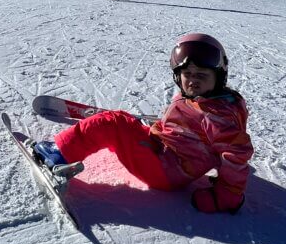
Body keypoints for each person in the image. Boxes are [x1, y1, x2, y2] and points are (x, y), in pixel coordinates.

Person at [33, 33, 252, 214]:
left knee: (112, 123)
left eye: (202, 74)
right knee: (124, 124)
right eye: (187, 74)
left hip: (165, 170)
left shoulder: (215, 115)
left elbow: (236, 150)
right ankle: (123, 133)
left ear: (219, 76)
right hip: (171, 155)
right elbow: (219, 142)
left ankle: (59, 154)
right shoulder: (222, 102)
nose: (193, 80)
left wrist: (227, 196)